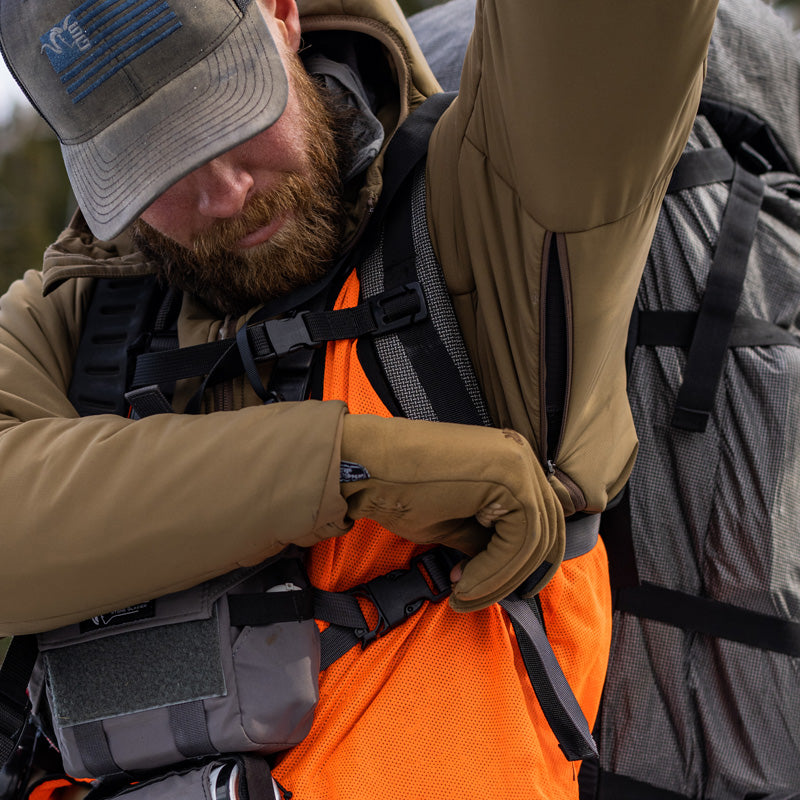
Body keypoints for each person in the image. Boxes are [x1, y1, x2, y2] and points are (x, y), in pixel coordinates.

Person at [0, 0, 717, 797]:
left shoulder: (492, 215)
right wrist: (350, 466)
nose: (226, 193)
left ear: (280, 13)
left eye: (229, 114)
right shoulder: (85, 306)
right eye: (154, 166)